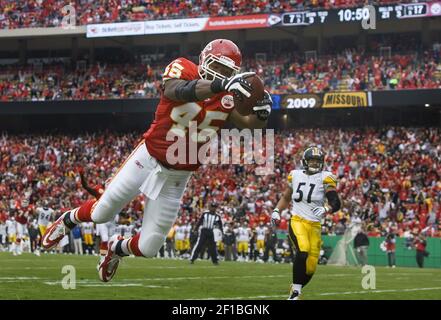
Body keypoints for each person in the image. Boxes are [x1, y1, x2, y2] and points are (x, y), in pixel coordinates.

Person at [42, 38, 272, 282]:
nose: (221, 74)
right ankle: (69, 219)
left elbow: (250, 125)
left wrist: (262, 114)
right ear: (204, 59)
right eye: (217, 67)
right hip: (149, 156)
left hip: (178, 174)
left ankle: (115, 249)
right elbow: (176, 90)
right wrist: (220, 83)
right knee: (102, 214)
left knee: (149, 247)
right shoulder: (183, 67)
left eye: (227, 72)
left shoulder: (228, 95)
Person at [271, 146, 341, 300]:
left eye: (318, 161)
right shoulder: (295, 175)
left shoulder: (326, 177)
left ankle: (296, 287)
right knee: (303, 251)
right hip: (297, 220)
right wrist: (277, 210)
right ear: (305, 161)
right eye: (312, 160)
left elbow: (336, 202)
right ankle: (295, 293)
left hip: (314, 225)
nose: (315, 163)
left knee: (311, 268)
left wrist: (326, 208)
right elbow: (286, 197)